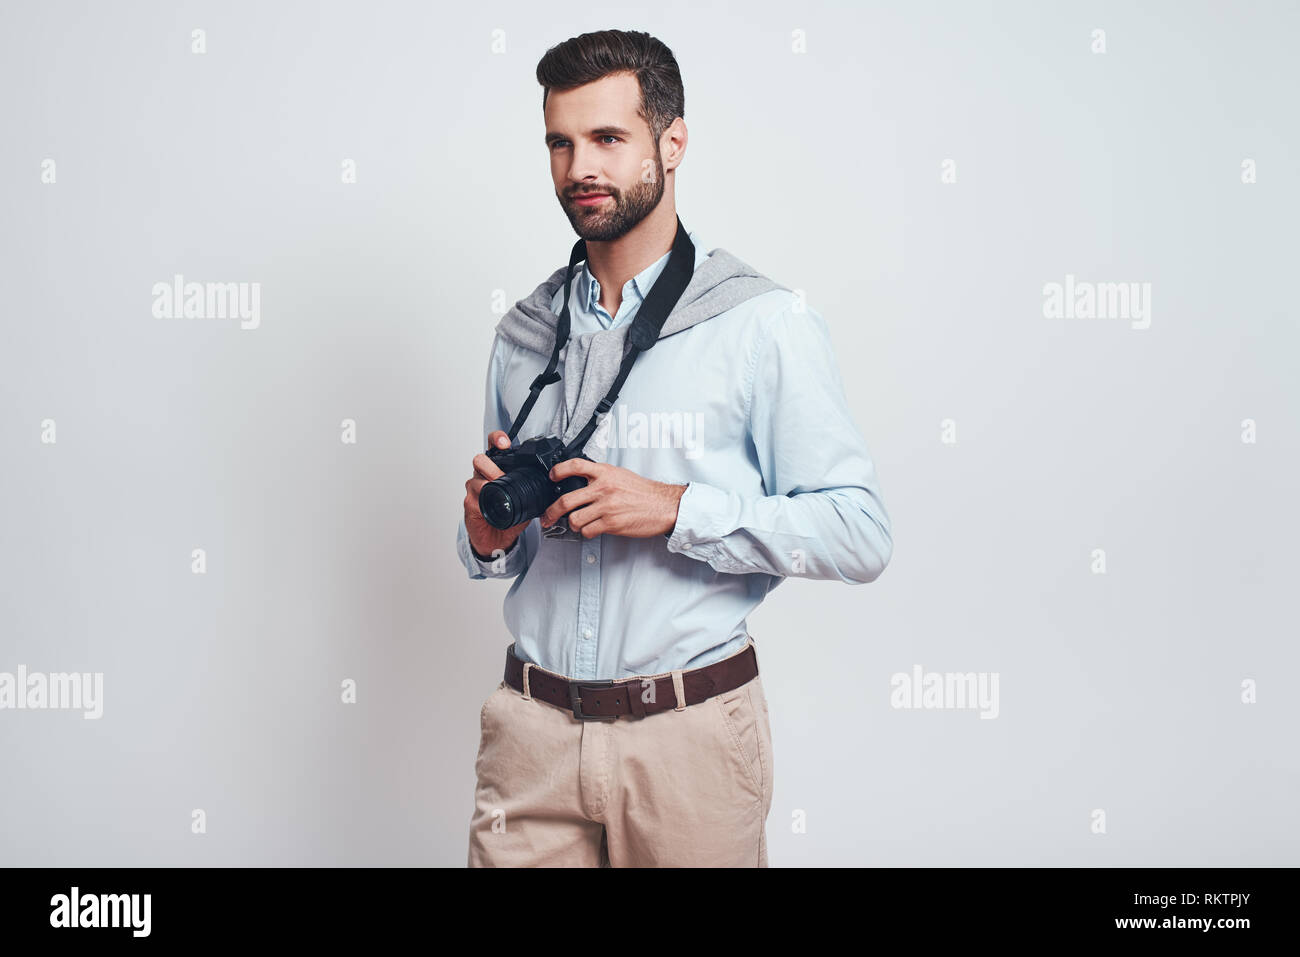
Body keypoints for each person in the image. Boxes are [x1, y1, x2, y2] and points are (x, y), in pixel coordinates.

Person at [458, 29, 893, 867]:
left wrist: (674, 509)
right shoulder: (522, 334)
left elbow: (860, 531)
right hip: (530, 738)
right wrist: (484, 535)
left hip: (688, 741)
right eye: (561, 141)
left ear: (672, 142)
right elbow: (498, 548)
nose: (580, 165)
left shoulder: (761, 323)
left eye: (609, 139)